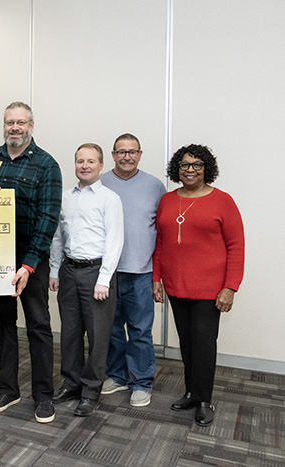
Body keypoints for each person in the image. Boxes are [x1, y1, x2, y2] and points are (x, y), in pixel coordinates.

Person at [0, 102, 62, 424]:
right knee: (4, 325)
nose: (14, 128)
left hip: (30, 260)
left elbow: (48, 219)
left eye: (20, 122)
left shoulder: (46, 164)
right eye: (10, 122)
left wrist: (29, 265)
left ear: (31, 125)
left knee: (38, 326)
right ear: (4, 125)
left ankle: (43, 395)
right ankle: (8, 388)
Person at [152, 144, 244, 427]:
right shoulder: (167, 200)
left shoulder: (222, 201)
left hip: (210, 289)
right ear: (176, 169)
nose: (189, 170)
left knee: (204, 344)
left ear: (207, 169)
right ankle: (191, 392)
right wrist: (156, 278)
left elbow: (236, 246)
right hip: (177, 286)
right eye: (184, 165)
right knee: (187, 344)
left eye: (196, 165)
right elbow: (160, 243)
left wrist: (231, 287)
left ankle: (204, 399)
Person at [49, 143, 124, 417]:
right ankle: (71, 383)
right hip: (69, 272)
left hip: (96, 274)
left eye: (91, 161)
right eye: (80, 161)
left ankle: (91, 391)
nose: (85, 166)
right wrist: (55, 270)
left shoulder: (109, 198)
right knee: (69, 333)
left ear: (101, 165)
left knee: (98, 335)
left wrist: (104, 279)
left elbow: (115, 242)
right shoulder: (65, 197)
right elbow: (58, 237)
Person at [99, 133, 166, 408]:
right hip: (108, 272)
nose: (127, 156)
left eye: (132, 152)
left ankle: (141, 383)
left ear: (140, 154)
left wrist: (157, 276)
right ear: (113, 155)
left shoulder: (155, 186)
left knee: (140, 330)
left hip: (141, 272)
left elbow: (162, 233)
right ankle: (116, 375)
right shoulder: (99, 182)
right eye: (121, 152)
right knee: (112, 329)